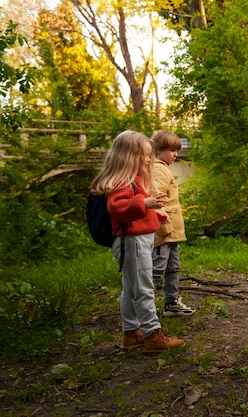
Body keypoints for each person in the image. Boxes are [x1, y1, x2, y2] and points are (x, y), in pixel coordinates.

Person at [90, 130, 185, 352]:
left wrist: (155, 213)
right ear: (130, 156)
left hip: (137, 239)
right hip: (131, 242)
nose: (150, 159)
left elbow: (138, 209)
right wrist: (145, 204)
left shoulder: (135, 180)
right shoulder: (123, 182)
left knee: (131, 287)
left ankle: (132, 333)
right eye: (146, 155)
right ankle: (153, 335)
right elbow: (118, 207)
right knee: (143, 288)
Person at [150, 130, 195, 317]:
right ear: (159, 149)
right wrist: (166, 229)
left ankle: (171, 302)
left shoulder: (163, 167)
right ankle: (144, 302)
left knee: (173, 267)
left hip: (172, 232)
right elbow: (157, 200)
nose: (176, 154)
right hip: (165, 231)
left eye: (177, 150)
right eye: (171, 150)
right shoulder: (159, 169)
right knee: (157, 268)